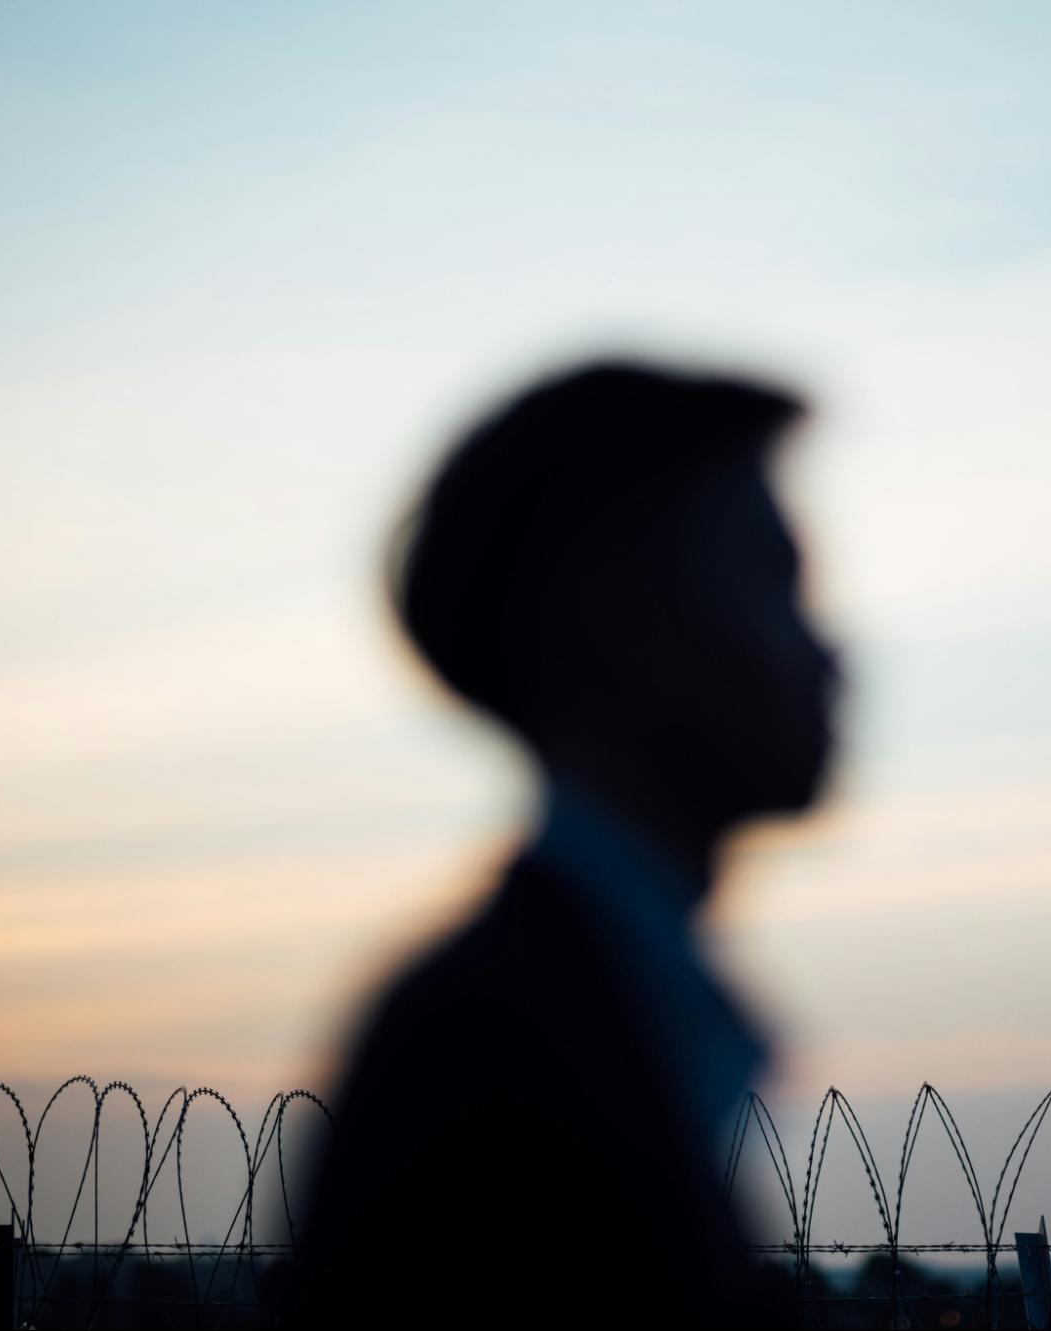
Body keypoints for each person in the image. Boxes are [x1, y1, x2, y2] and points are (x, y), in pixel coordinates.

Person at [290, 360, 841, 1327]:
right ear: (616, 622)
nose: (828, 653)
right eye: (774, 582)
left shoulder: (585, 1001)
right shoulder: (483, 1042)